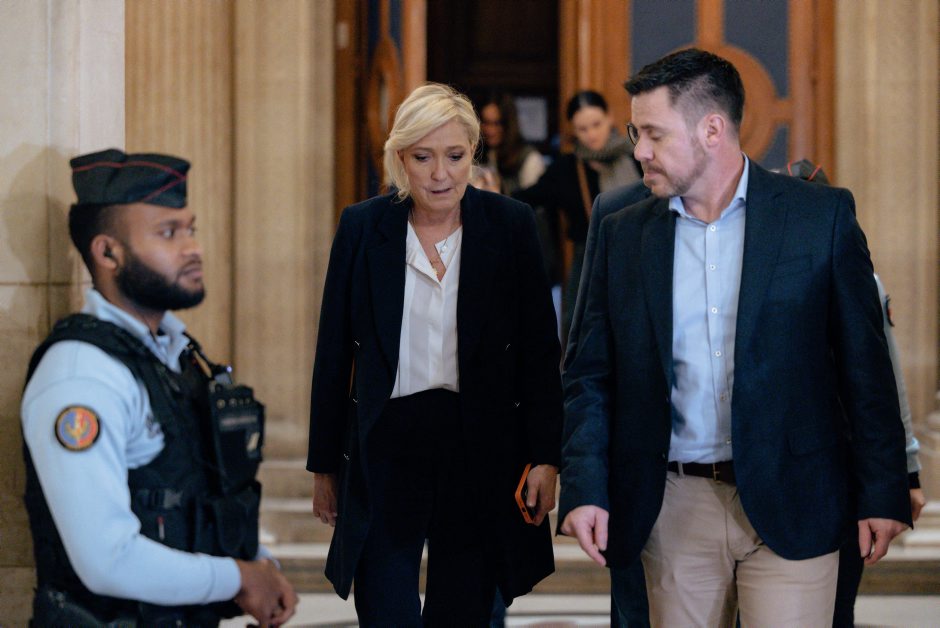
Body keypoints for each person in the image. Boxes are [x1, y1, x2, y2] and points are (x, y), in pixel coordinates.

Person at [559, 48, 912, 627]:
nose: (638, 150)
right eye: (635, 133)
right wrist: (585, 486)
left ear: (712, 130)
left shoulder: (819, 217)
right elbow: (589, 373)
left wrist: (884, 490)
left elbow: (865, 369)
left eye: (653, 134)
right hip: (673, 505)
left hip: (796, 494)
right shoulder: (622, 228)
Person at [307, 82, 562, 626]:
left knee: (465, 610)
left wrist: (546, 456)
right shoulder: (363, 226)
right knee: (385, 609)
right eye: (423, 158)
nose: (440, 174)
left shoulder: (510, 224)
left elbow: (539, 352)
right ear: (401, 158)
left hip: (478, 444)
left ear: (474, 153)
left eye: (455, 156)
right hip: (387, 441)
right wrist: (324, 466)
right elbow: (333, 352)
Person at [21, 149, 297, 626]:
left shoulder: (176, 356)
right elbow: (107, 559)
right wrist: (238, 577)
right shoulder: (82, 374)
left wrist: (255, 561)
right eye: (168, 233)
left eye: (190, 229)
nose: (193, 248)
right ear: (108, 253)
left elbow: (195, 493)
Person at [772, 160, 926, 627]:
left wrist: (906, 470)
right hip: (770, 467)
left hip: (838, 462)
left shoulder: (860, 278)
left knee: (834, 608)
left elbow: (884, 379)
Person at [514, 90, 640, 337]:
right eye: (582, 129)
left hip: (637, 254)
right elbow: (528, 197)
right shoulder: (567, 168)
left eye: (596, 124)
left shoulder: (638, 156)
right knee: (581, 328)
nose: (591, 134)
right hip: (589, 261)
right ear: (573, 129)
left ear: (609, 117)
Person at [478, 93, 546, 195]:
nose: (490, 131)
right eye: (486, 123)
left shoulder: (529, 158)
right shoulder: (481, 155)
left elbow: (532, 202)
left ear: (508, 125)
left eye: (497, 123)